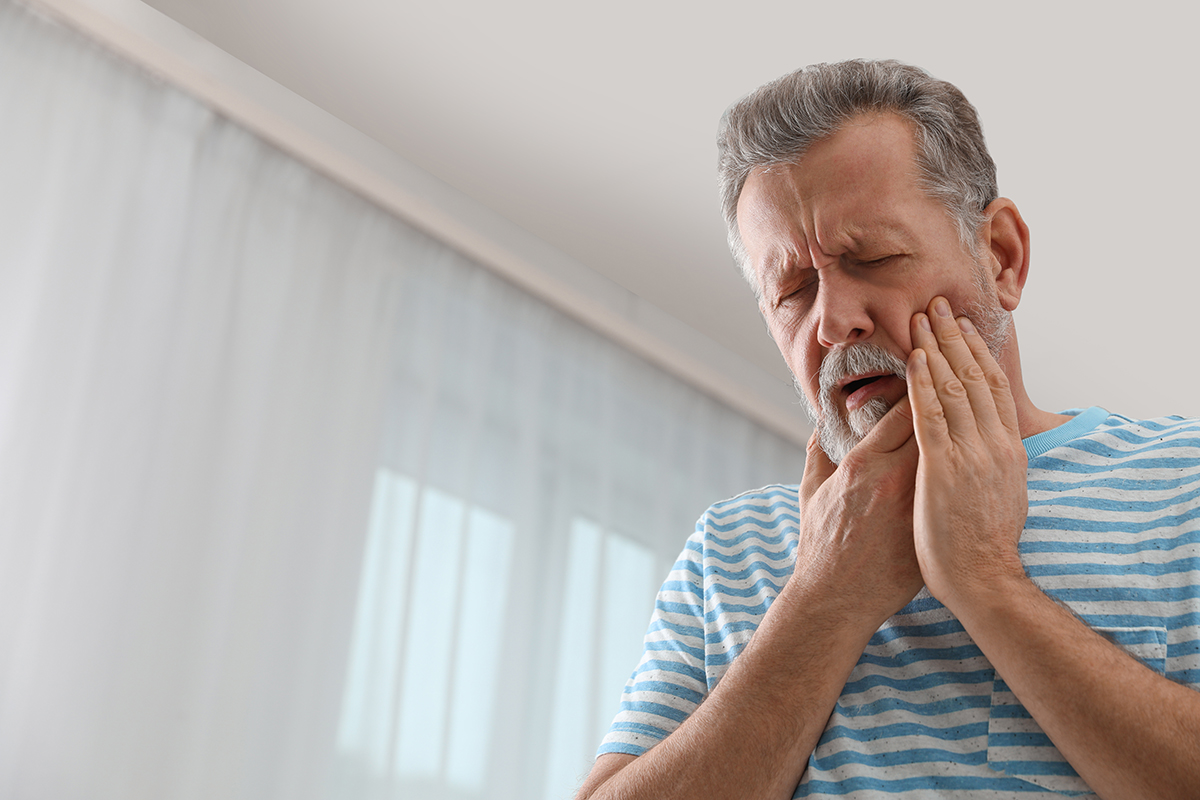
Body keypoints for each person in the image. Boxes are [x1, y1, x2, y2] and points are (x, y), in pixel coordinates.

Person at [575, 60, 1200, 799]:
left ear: (1001, 257)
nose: (833, 322)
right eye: (792, 292)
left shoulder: (1183, 481)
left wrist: (985, 580)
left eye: (873, 258)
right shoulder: (730, 549)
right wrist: (826, 594)